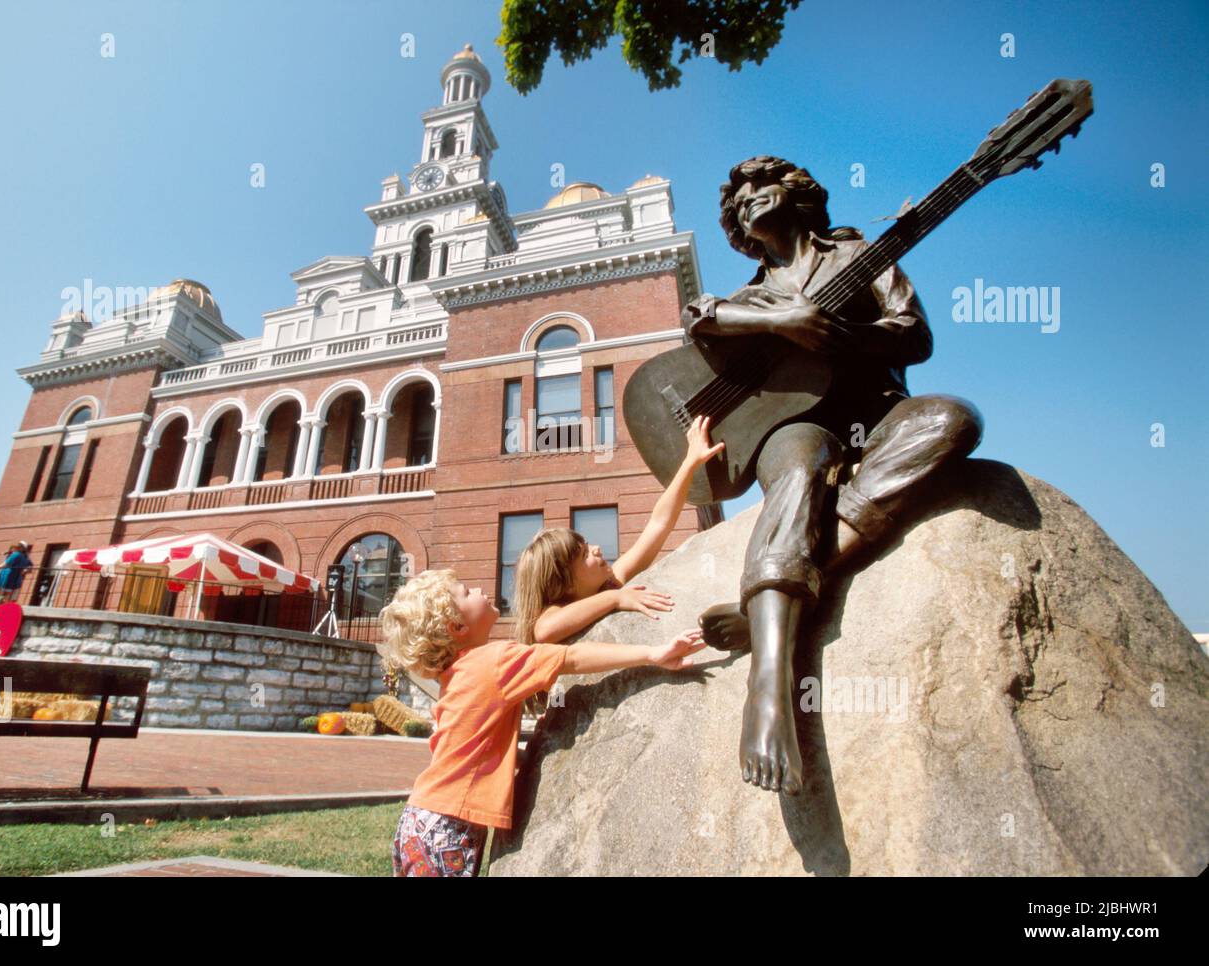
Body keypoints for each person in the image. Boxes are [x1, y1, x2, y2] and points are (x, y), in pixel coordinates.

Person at [682, 155, 984, 795]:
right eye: (736, 205)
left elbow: (914, 334)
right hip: (797, 429)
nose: (747, 203)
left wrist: (838, 334)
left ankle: (775, 603)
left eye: (757, 190)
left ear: (794, 194)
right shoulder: (750, 295)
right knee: (795, 471)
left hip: (878, 418)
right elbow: (699, 316)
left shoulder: (859, 254)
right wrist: (777, 320)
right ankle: (769, 685)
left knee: (953, 421)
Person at [380, 568, 706, 876]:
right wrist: (653, 654)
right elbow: (570, 658)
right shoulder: (496, 659)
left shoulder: (455, 677)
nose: (479, 589)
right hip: (446, 827)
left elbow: (464, 749)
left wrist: (523, 758)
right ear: (457, 627)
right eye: (467, 592)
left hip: (420, 820)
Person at [512, 415, 725, 649]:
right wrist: (616, 598)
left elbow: (658, 524)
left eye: (588, 545)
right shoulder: (559, 612)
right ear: (567, 584)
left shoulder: (610, 581)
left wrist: (690, 463)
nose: (597, 548)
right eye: (584, 555)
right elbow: (543, 630)